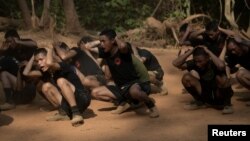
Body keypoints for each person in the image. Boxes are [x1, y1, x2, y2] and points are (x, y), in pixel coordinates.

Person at [87, 29, 159, 118]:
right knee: (95, 93)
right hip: (121, 88)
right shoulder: (105, 52)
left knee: (134, 92)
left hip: (134, 84)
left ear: (113, 40)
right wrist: (102, 39)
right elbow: (88, 47)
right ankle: (125, 102)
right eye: (100, 41)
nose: (101, 44)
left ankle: (151, 106)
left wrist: (115, 37)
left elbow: (122, 46)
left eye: (103, 41)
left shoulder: (123, 51)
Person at [23, 48, 91, 127]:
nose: (39, 63)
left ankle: (76, 114)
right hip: (68, 102)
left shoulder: (61, 65)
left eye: (41, 59)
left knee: (60, 81)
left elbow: (50, 63)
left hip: (82, 98)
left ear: (48, 57)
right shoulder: (46, 72)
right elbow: (26, 73)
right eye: (37, 61)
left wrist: (50, 48)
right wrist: (33, 56)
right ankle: (64, 113)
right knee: (46, 87)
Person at [172, 46, 234, 114]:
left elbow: (221, 66)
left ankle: (227, 105)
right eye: (196, 61)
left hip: (219, 95)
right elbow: (175, 63)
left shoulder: (214, 63)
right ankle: (200, 102)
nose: (197, 64)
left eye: (200, 61)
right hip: (206, 93)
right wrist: (191, 51)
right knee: (186, 77)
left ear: (207, 58)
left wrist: (208, 52)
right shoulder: (195, 63)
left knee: (222, 78)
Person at [0, 29, 37, 110]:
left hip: (28, 89)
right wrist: (1, 51)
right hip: (18, 87)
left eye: (10, 41)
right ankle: (10, 101)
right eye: (7, 42)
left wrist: (19, 42)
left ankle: (12, 101)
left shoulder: (26, 44)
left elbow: (34, 44)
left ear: (16, 39)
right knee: (3, 71)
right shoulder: (9, 50)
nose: (9, 44)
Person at [225, 36, 250, 105]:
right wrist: (228, 77)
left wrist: (242, 41)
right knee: (240, 74)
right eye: (231, 51)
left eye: (234, 49)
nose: (233, 52)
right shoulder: (235, 55)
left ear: (240, 45)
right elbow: (227, 66)